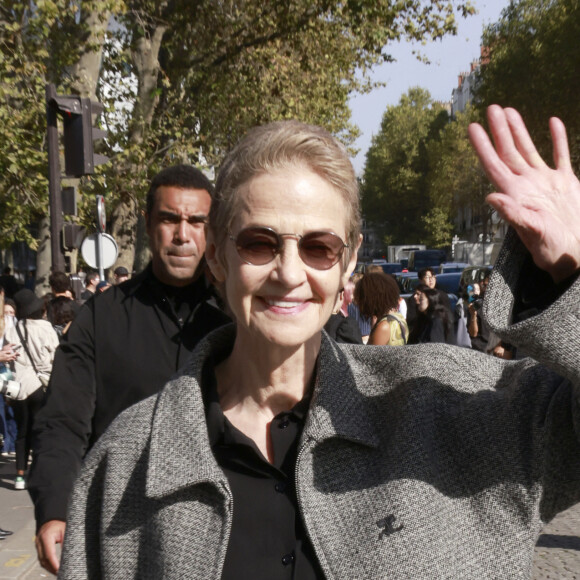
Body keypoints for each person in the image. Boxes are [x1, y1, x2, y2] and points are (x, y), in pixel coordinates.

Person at [59, 108, 580, 579]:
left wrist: (573, 271)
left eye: (318, 247)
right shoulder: (128, 461)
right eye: (260, 243)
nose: (289, 273)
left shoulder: (451, 407)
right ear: (217, 256)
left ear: (349, 261)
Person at [29, 165, 230, 574]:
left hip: (223, 540)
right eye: (170, 219)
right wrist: (54, 510)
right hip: (124, 539)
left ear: (212, 230)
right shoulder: (101, 318)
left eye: (196, 222)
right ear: (148, 224)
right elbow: (63, 423)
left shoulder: (237, 318)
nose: (182, 234)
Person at [5, 290, 59, 490]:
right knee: (40, 431)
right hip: (41, 385)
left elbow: (9, 362)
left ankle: (20, 475)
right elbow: (56, 355)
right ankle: (38, 472)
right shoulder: (46, 328)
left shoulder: (12, 330)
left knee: (22, 431)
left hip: (18, 387)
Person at [354, 272, 408, 345]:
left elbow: (371, 355)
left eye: (362, 298)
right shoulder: (398, 318)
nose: (358, 303)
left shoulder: (384, 326)